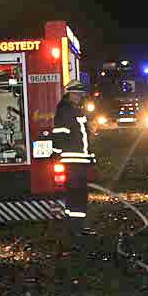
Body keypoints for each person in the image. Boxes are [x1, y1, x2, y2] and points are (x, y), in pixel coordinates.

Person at [49, 81, 97, 235]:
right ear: (70, 94)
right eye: (78, 94)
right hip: (73, 162)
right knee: (77, 195)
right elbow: (60, 135)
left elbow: (83, 138)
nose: (80, 97)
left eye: (81, 95)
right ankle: (75, 228)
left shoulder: (75, 110)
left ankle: (77, 226)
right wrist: (56, 154)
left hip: (79, 161)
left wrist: (90, 157)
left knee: (79, 195)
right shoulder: (65, 111)